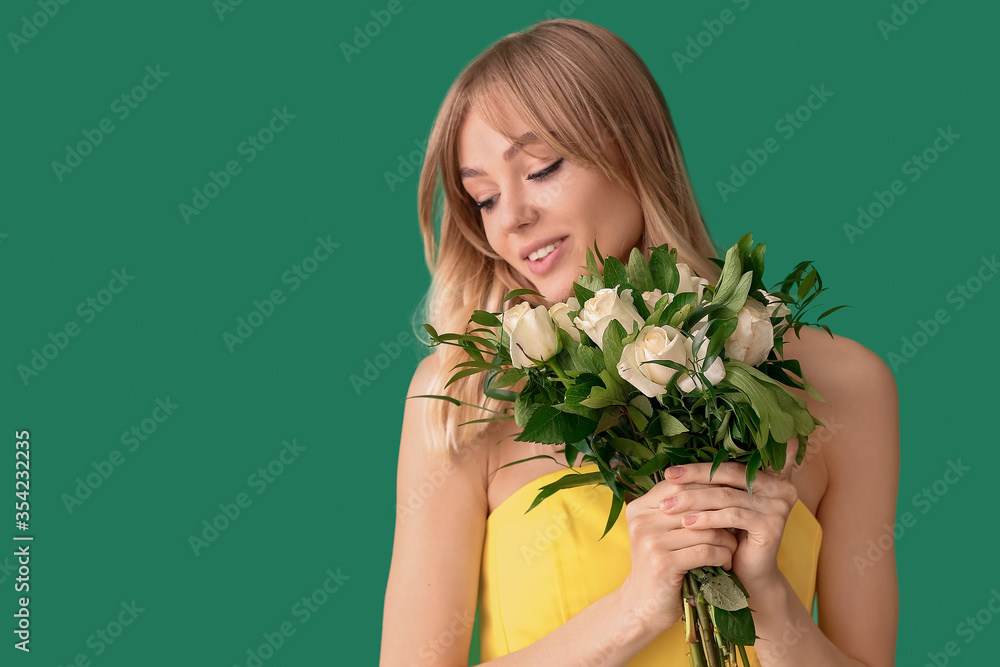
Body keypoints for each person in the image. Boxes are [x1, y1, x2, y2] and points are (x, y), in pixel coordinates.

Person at [380, 17, 898, 667]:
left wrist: (769, 602)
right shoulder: (463, 394)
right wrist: (634, 609)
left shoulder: (848, 385)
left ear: (634, 150)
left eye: (540, 169)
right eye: (482, 197)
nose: (511, 219)